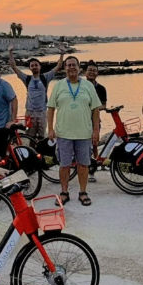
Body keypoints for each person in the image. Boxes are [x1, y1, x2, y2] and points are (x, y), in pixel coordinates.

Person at [46, 57, 102, 206]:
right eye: (68, 65)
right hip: (63, 133)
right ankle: (64, 192)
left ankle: (83, 192)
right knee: (64, 165)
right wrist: (50, 129)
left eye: (74, 65)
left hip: (84, 133)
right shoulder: (58, 86)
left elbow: (96, 109)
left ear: (79, 68)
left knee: (83, 164)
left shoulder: (88, 86)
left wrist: (96, 131)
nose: (71, 67)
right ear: (65, 68)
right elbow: (50, 108)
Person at [9, 47, 63, 137]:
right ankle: (31, 150)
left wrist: (62, 54)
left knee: (42, 137)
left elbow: (58, 66)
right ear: (30, 68)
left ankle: (41, 151)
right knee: (30, 136)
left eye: (36, 65)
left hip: (42, 112)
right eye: (32, 65)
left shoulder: (45, 77)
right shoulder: (27, 78)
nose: (34, 67)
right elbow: (14, 67)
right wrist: (10, 52)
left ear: (40, 66)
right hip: (30, 113)